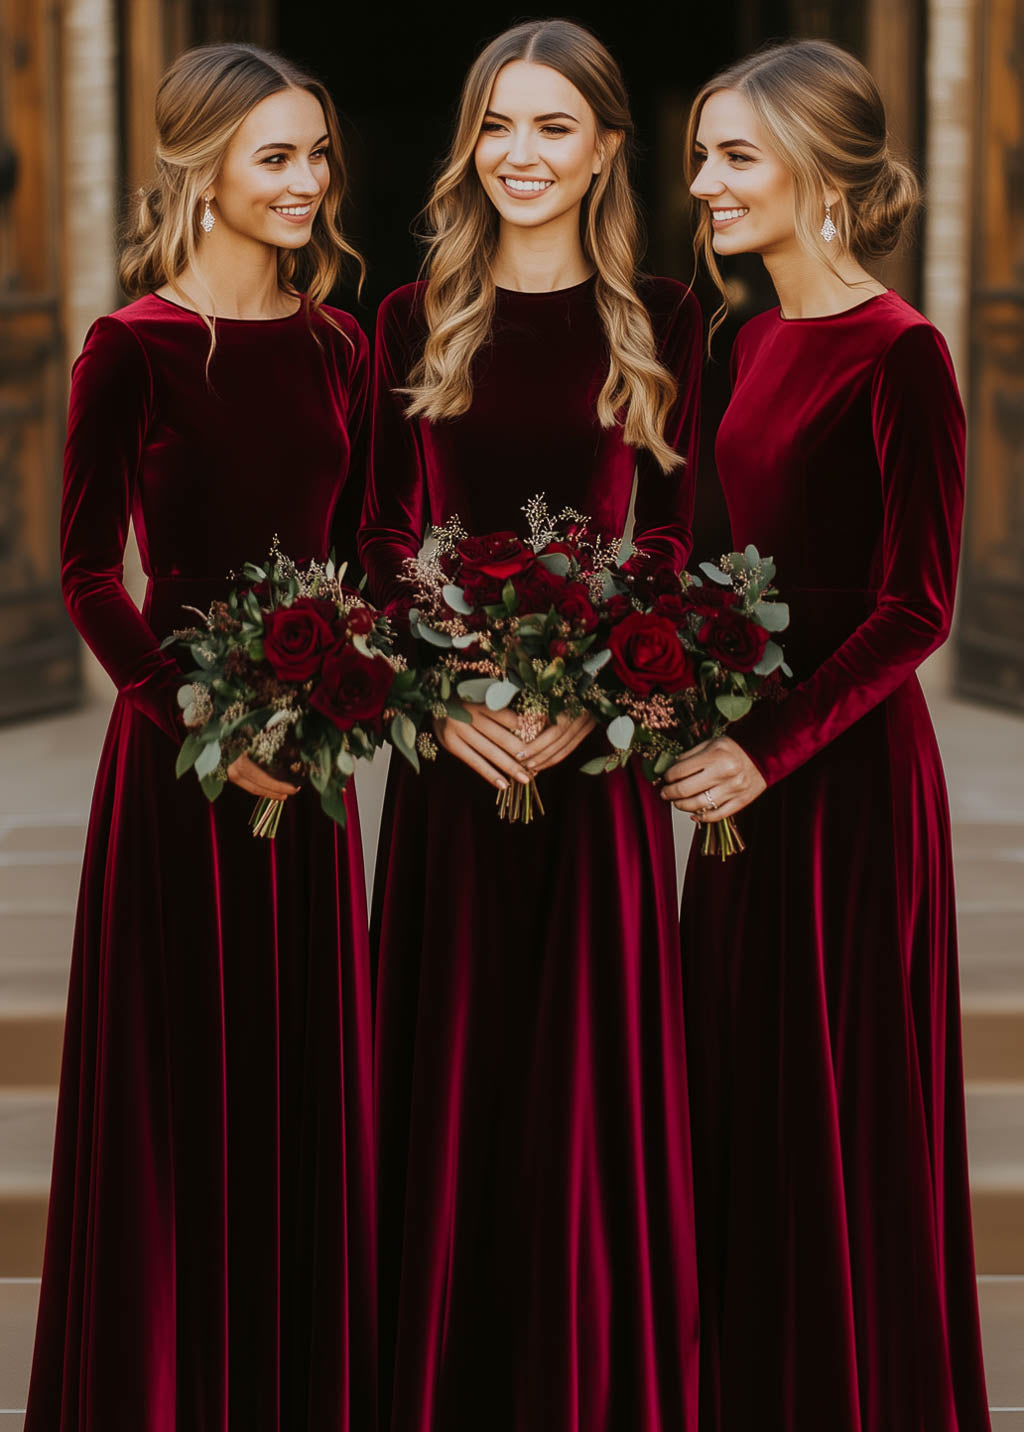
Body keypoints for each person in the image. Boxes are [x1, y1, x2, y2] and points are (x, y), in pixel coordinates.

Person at [358, 19, 703, 1431]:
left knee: (582, 1095)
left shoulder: (674, 322)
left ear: (608, 149)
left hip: (594, 769)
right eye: (497, 125)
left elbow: (681, 537)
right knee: (448, 1091)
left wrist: (596, 697)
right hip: (452, 771)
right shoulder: (410, 312)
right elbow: (380, 535)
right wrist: (438, 705)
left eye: (553, 127)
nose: (519, 154)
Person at [26, 43, 375, 1431]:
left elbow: (356, 555)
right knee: (181, 1100)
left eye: (318, 157)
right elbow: (85, 575)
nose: (307, 183)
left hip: (320, 764)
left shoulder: (342, 341)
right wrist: (195, 724)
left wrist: (355, 690)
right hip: (181, 775)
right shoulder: (131, 347)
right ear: (202, 169)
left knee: (307, 1095)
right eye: (277, 156)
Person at [665, 39, 991, 1432]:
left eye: (737, 155)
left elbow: (918, 606)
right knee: (728, 1099)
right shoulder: (740, 341)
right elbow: (703, 564)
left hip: (846, 790)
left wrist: (770, 748)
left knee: (834, 1122)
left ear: (827, 176)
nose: (706, 184)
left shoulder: (903, 353)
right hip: (736, 778)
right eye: (703, 156)